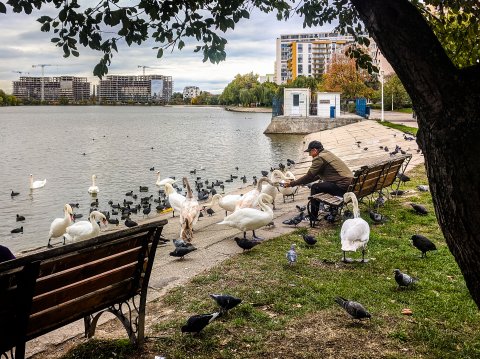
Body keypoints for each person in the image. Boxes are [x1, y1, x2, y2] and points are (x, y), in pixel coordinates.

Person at [284, 140, 353, 219]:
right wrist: (300, 182)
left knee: (315, 187)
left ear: (314, 150)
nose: (310, 155)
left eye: (310, 152)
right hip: (350, 185)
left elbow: (309, 176)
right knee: (320, 185)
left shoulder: (319, 158)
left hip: (342, 188)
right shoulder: (327, 153)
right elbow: (316, 176)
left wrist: (292, 183)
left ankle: (313, 216)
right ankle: (328, 210)